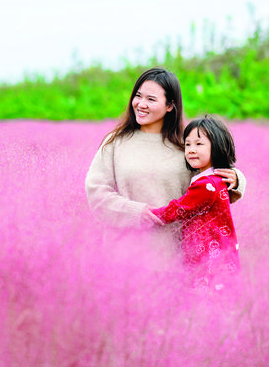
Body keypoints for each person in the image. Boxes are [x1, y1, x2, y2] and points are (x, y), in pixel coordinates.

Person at [84, 67, 246, 258]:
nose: (141, 104)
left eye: (151, 99)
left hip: (173, 256)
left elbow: (210, 181)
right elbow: (96, 192)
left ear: (170, 105)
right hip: (122, 254)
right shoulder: (115, 142)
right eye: (138, 96)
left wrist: (236, 179)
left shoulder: (186, 145)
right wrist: (135, 213)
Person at [149, 115, 240, 288]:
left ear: (217, 146)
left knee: (203, 298)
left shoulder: (207, 184)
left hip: (208, 261)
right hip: (219, 257)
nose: (191, 150)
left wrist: (150, 215)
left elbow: (179, 209)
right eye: (188, 144)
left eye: (199, 144)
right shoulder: (216, 179)